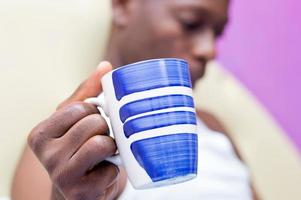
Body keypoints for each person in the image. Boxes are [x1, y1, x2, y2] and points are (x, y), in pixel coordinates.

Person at [11, 0, 258, 199]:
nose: (210, 50)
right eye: (191, 23)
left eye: (218, 33)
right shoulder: (62, 150)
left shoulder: (213, 126)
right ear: (122, 5)